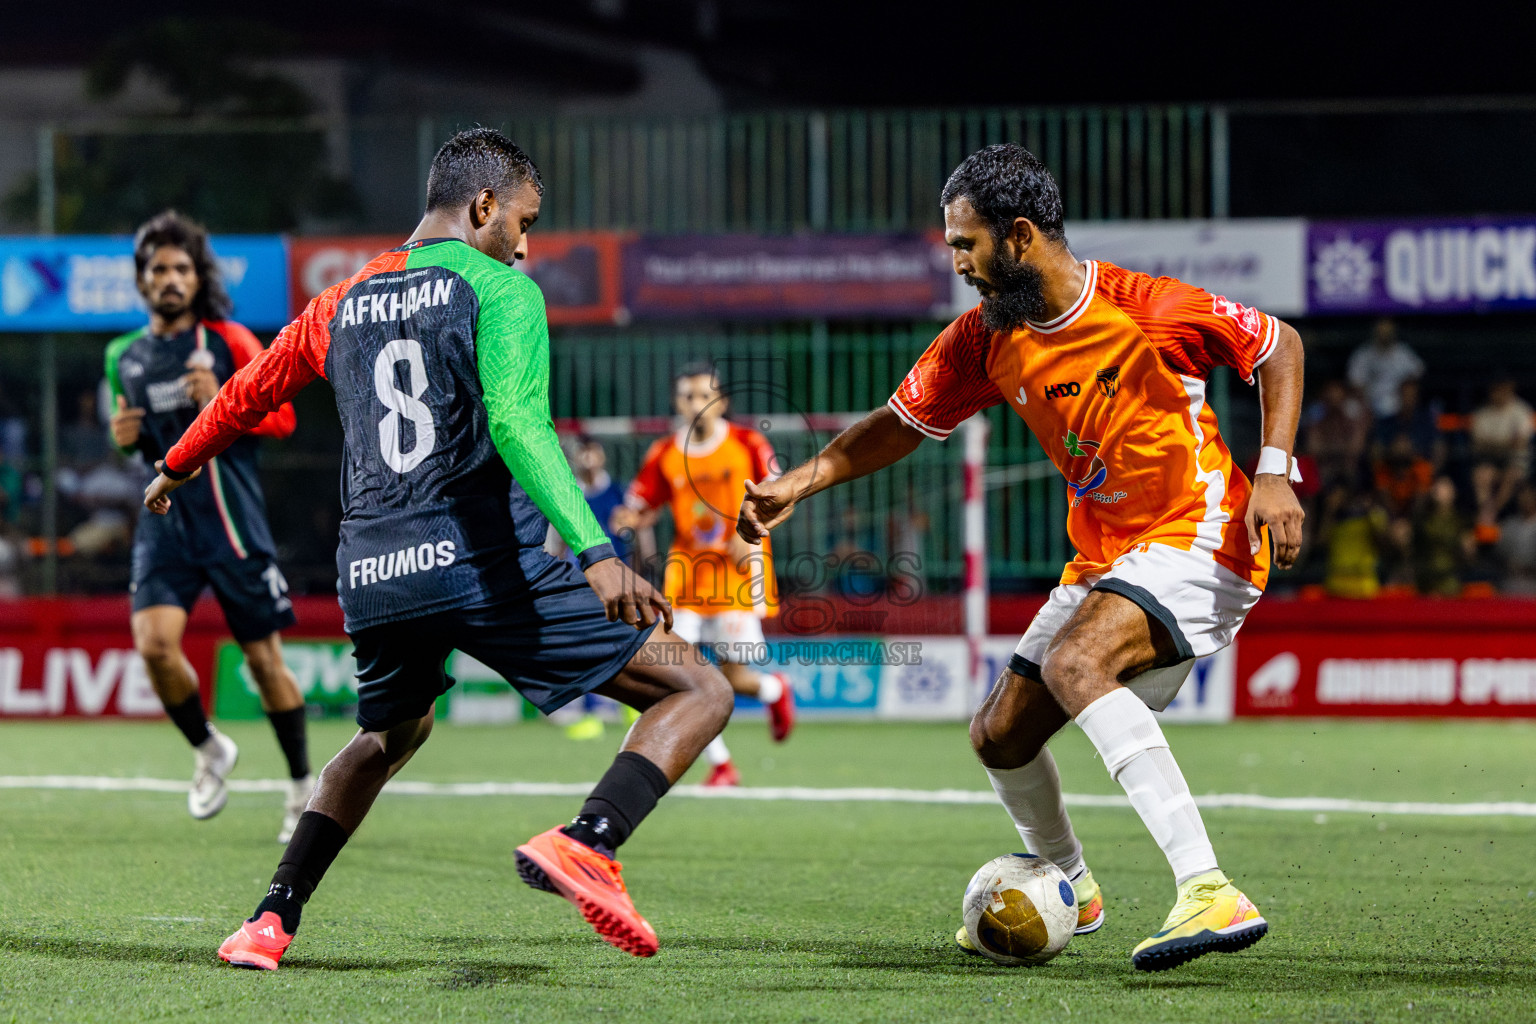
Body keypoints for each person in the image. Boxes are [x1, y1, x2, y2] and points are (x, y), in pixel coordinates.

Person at [143, 129, 732, 969]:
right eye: (524, 221)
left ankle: (268, 922)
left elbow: (248, 392)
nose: (524, 245)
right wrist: (596, 550)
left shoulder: (339, 299)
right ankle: (591, 841)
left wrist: (174, 463)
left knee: (387, 736)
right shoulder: (503, 290)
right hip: (478, 564)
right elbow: (519, 424)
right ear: (484, 205)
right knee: (698, 687)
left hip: (372, 573)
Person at [738, 144, 1305, 972]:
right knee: (999, 736)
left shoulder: (1147, 309)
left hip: (1203, 533)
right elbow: (902, 422)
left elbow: (1277, 346)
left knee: (1078, 664)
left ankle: (1209, 889)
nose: (957, 263)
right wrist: (804, 478)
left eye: (965, 244)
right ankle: (1073, 886)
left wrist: (1275, 472)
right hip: (1107, 556)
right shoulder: (984, 339)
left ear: (1020, 236)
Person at [104, 211, 311, 841]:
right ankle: (210, 748)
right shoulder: (122, 356)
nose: (170, 279)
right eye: (158, 269)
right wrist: (123, 440)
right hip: (165, 524)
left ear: (198, 278)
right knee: (153, 645)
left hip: (231, 522)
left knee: (264, 662)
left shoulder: (229, 340)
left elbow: (284, 420)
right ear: (143, 280)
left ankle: (302, 787)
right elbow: (135, 444)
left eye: (181, 268)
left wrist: (223, 396)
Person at [614, 365, 795, 786]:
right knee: (677, 676)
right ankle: (722, 765)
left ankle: (774, 690)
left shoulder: (748, 443)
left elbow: (782, 491)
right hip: (686, 577)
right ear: (676, 403)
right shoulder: (664, 452)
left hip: (737, 574)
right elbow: (641, 505)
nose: (696, 404)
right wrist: (629, 517)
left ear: (721, 402)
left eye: (704, 396)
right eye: (687, 396)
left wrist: (754, 531)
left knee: (735, 678)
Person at [1469, 377, 1534, 530]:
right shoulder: (1482, 412)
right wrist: (1506, 443)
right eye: (1495, 389)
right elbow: (1478, 443)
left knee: (1510, 475)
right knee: (1482, 475)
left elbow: (1520, 442)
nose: (1498, 393)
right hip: (1491, 462)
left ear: (1510, 388)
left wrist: (1493, 443)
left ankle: (1490, 514)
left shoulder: (1522, 410)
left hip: (1516, 463)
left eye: (1502, 388)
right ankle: (1487, 516)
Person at [1346, 318, 1423, 419]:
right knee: (1350, 407)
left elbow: (1419, 372)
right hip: (1369, 402)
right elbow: (1355, 382)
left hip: (1397, 401)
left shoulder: (1403, 353)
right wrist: (1367, 396)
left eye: (1388, 332)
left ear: (1393, 333)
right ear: (1375, 332)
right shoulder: (1363, 354)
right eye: (1382, 332)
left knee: (1410, 394)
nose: (1385, 335)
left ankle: (1407, 427)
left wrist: (1404, 386)